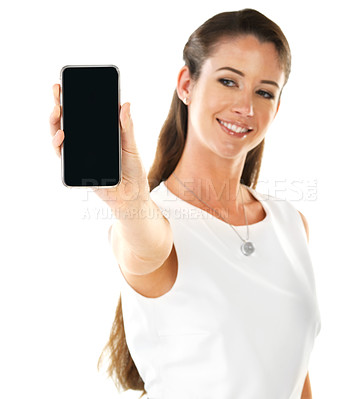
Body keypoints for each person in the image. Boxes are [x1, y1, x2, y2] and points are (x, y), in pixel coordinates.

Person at [49, 8, 321, 399]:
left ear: (277, 107)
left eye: (264, 91)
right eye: (229, 81)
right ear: (186, 85)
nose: (245, 107)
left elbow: (296, 376)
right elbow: (146, 243)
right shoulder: (153, 222)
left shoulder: (291, 223)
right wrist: (128, 201)